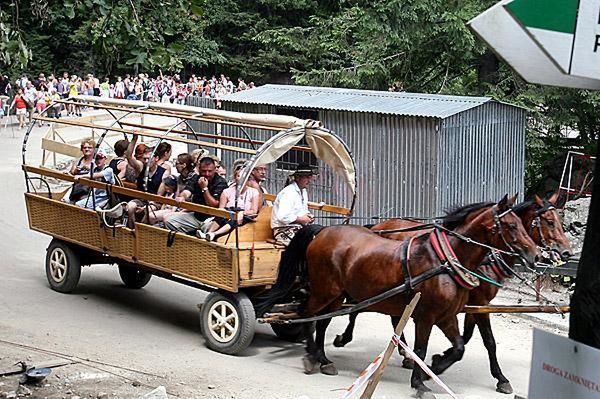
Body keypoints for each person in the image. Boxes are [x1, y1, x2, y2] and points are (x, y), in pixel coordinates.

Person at [164, 156, 228, 234]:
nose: (207, 174)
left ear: (215, 170)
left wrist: (204, 188)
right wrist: (182, 197)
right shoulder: (195, 178)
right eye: (204, 171)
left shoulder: (221, 182)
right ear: (199, 170)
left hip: (211, 218)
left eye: (210, 171)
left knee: (207, 229)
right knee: (169, 221)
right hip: (196, 216)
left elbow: (213, 204)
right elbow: (187, 191)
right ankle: (186, 240)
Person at [197, 163, 260, 241]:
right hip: (228, 214)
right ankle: (208, 234)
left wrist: (242, 213)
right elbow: (221, 208)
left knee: (235, 218)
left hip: (244, 217)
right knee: (223, 214)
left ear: (247, 178)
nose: (241, 179)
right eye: (238, 176)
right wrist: (227, 213)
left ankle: (214, 234)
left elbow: (254, 210)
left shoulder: (253, 192)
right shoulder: (227, 191)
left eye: (244, 176)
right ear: (235, 177)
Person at [271, 162, 317, 245]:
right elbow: (282, 217)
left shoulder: (303, 191)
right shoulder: (288, 193)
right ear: (297, 178)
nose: (309, 181)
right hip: (282, 230)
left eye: (310, 177)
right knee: (306, 244)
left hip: (298, 228)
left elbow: (303, 211)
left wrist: (309, 216)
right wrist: (301, 219)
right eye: (306, 177)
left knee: (318, 239)